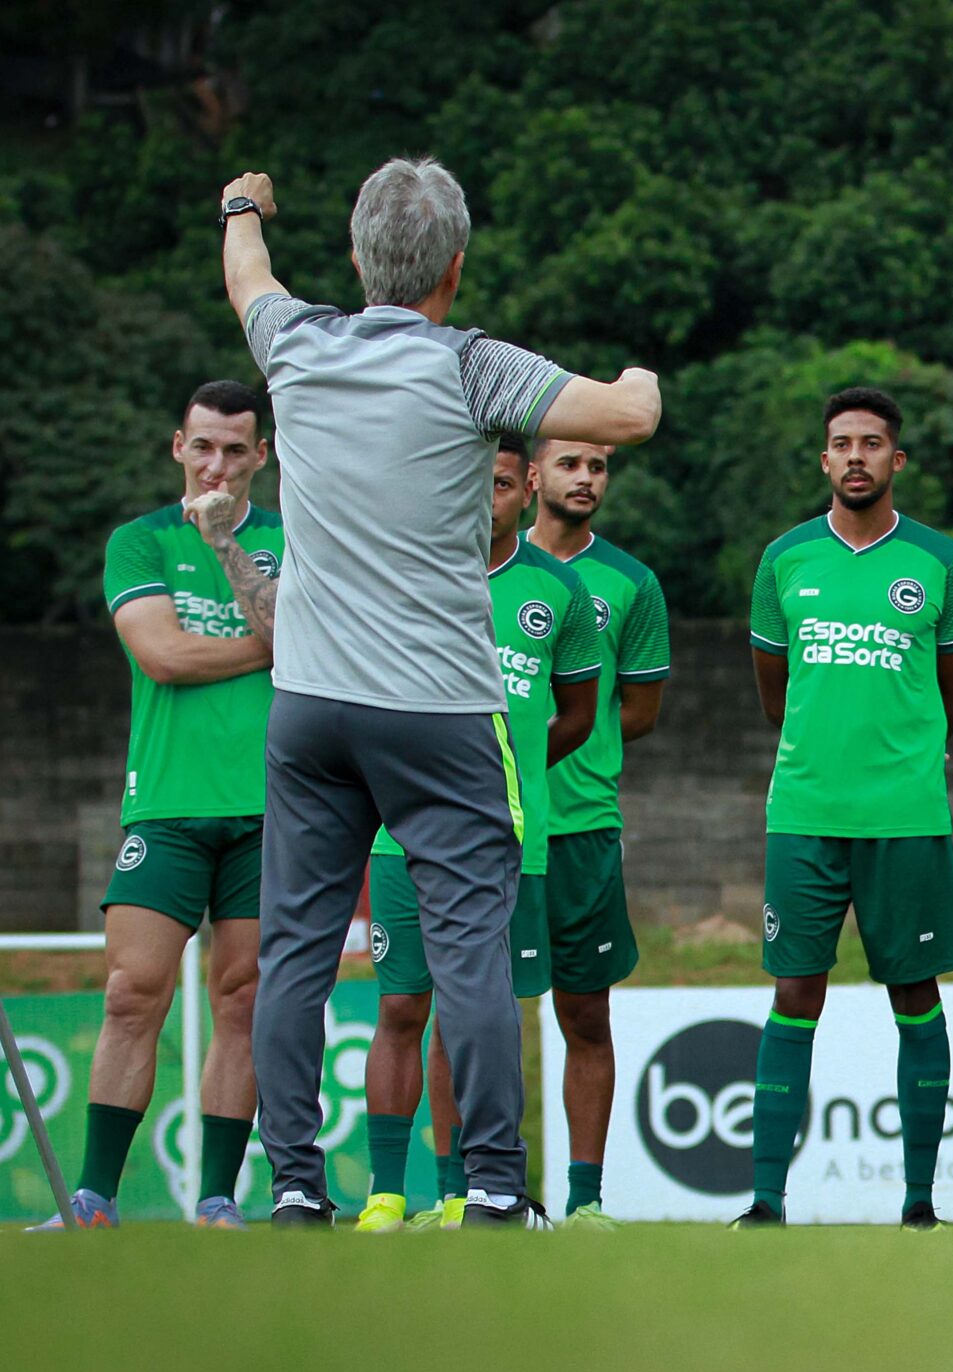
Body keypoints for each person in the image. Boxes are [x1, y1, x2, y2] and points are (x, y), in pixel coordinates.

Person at [219, 159, 658, 1227]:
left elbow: (245, 271)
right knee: (468, 949)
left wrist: (243, 206)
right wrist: (642, 374)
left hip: (311, 705)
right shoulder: (473, 368)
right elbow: (624, 418)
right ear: (454, 267)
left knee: (298, 950)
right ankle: (498, 1188)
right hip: (437, 711)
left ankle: (293, 1187)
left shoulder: (297, 344)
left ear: (362, 261)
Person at [29, 383, 282, 1232]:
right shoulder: (138, 540)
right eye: (203, 446)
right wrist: (272, 643)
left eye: (235, 451)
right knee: (133, 991)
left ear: (262, 457)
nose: (217, 465)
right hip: (167, 806)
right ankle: (93, 1199)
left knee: (241, 999)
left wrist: (236, 565)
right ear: (179, 445)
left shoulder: (293, 539)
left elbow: (310, 635)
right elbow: (163, 654)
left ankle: (216, 1200)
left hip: (270, 808)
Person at [735, 388, 953, 1230]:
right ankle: (766, 1201)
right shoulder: (785, 559)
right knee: (794, 992)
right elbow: (776, 691)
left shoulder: (939, 561)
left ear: (896, 460)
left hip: (905, 818)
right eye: (841, 444)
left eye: (872, 444)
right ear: (823, 458)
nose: (856, 458)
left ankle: (920, 1204)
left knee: (914, 995)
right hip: (803, 811)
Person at [354, 437, 599, 1232]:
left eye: (497, 483)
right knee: (401, 1007)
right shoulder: (410, 580)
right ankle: (387, 1195)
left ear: (528, 488)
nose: (482, 498)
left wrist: (512, 774)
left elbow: (579, 715)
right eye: (468, 483)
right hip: (403, 838)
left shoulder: (558, 593)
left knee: (481, 1014)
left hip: (509, 843)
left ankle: (467, 1190)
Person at [524, 434, 672, 1226]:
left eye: (599, 466)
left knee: (586, 1015)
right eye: (570, 464)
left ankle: (585, 1202)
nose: (585, 479)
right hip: (492, 827)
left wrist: (579, 749)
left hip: (583, 824)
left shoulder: (632, 583)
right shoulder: (480, 565)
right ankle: (470, 1192)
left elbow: (638, 712)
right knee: (473, 1015)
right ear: (533, 472)